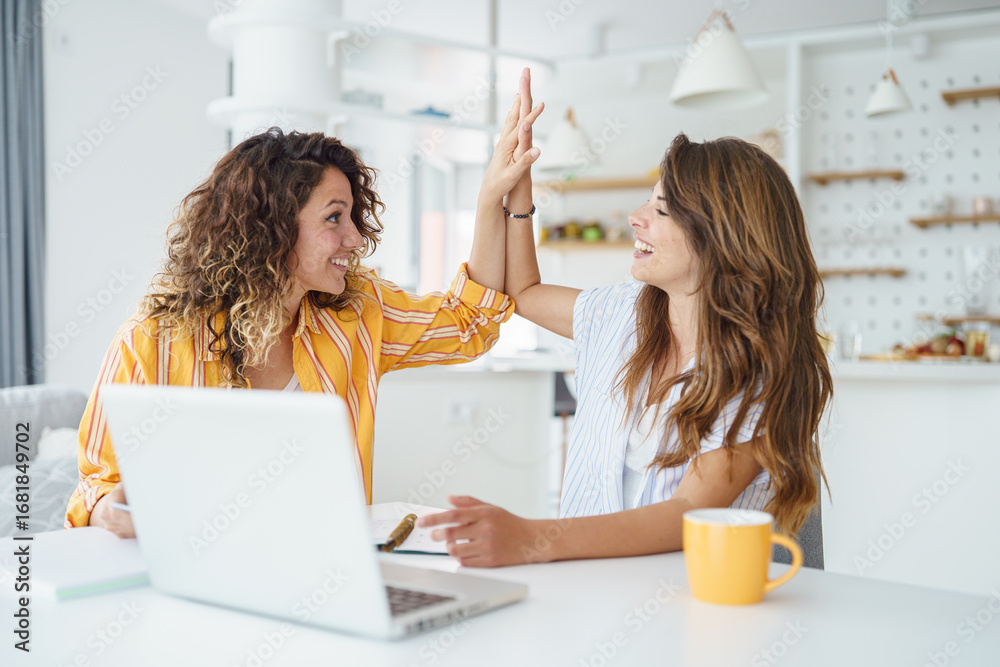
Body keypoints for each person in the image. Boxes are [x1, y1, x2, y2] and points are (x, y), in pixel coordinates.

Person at [66, 93, 544, 537]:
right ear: (269, 227)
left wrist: (490, 199)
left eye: (352, 217)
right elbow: (95, 487)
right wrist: (112, 510)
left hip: (327, 571)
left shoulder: (358, 312)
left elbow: (468, 323)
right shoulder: (154, 338)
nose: (355, 238)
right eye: (334, 217)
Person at [419, 70, 832, 567]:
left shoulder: (759, 369)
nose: (636, 217)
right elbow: (521, 292)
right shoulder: (622, 313)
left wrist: (530, 538)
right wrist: (510, 188)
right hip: (597, 592)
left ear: (721, 238)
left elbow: (686, 513)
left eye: (662, 209)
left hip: (695, 601)